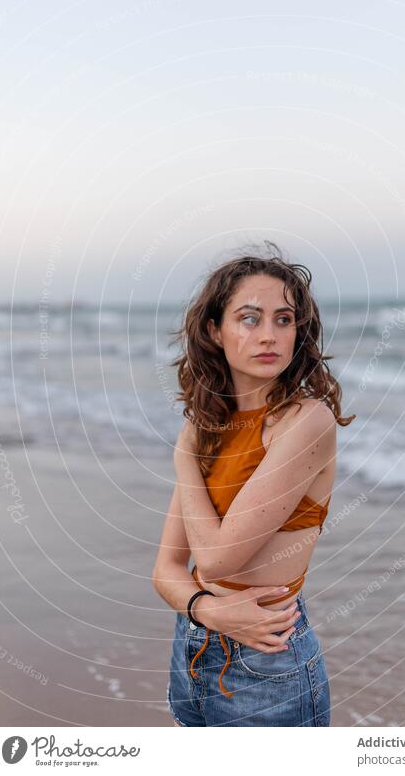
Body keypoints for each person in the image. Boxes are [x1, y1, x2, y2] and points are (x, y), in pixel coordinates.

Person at [152, 241, 355, 726]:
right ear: (214, 330)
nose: (270, 334)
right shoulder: (209, 426)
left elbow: (221, 558)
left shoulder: (306, 421)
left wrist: (185, 458)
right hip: (194, 646)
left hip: (266, 664)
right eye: (250, 318)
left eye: (284, 320)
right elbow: (165, 569)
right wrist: (206, 610)